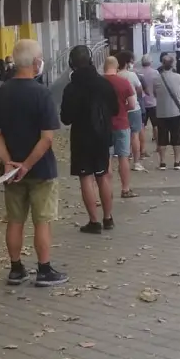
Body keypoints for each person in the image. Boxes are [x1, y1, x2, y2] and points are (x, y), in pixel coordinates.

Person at [0, 40, 68, 287]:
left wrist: (9, 163)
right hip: (41, 169)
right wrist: (27, 164)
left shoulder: (1, 93)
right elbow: (46, 138)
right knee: (42, 220)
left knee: (15, 220)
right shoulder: (41, 94)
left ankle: (15, 269)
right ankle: (44, 270)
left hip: (10, 173)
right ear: (36, 63)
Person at [60, 45, 119, 234]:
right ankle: (108, 217)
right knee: (103, 176)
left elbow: (65, 118)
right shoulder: (104, 84)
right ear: (92, 60)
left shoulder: (71, 88)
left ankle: (94, 222)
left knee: (86, 177)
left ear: (71, 64)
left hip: (81, 138)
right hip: (103, 136)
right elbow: (115, 110)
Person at [103, 56, 138, 197]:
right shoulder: (123, 83)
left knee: (107, 158)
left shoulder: (99, 83)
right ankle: (125, 189)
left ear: (104, 67)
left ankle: (106, 190)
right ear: (117, 67)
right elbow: (132, 104)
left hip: (104, 125)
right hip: (122, 123)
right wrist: (123, 108)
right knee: (123, 157)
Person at [153, 53, 180, 170]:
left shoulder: (156, 78)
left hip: (161, 112)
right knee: (176, 137)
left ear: (162, 64)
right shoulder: (179, 77)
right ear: (172, 65)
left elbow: (154, 94)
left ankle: (162, 162)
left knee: (162, 138)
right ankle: (177, 162)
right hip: (175, 111)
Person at [117, 50, 146, 172]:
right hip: (134, 108)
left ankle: (124, 158)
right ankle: (136, 162)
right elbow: (140, 90)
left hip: (120, 109)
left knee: (122, 134)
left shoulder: (116, 76)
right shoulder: (132, 75)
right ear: (128, 63)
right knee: (135, 135)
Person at [139, 54, 160, 153]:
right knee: (156, 125)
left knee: (142, 126)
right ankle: (158, 146)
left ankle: (142, 148)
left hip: (142, 103)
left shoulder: (138, 73)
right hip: (153, 102)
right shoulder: (155, 73)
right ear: (150, 62)